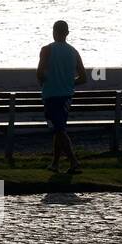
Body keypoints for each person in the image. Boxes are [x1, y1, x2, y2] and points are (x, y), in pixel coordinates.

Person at [37, 20, 88, 173]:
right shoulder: (74, 52)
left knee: (58, 129)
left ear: (53, 32)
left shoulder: (46, 50)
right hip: (67, 96)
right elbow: (83, 78)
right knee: (59, 129)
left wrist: (47, 82)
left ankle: (74, 162)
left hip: (51, 95)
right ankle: (55, 163)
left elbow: (39, 73)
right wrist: (69, 83)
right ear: (67, 33)